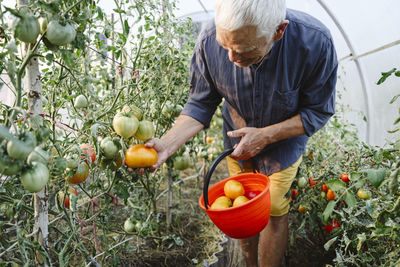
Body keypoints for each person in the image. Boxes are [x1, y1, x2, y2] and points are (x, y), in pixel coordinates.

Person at [145, 0, 337, 266]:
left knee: (274, 210)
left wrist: (266, 135)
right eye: (226, 47)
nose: (233, 59)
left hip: (283, 145)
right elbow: (201, 102)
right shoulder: (210, 38)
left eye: (245, 51)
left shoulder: (315, 43)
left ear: (278, 31)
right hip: (237, 144)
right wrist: (167, 144)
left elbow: (318, 111)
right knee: (240, 210)